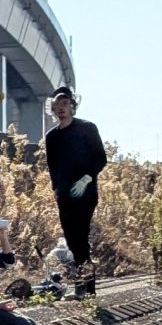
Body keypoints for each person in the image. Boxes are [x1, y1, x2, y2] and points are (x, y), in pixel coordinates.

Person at [41, 86, 107, 293]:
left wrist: (87, 178)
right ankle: (83, 282)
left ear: (72, 106)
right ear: (52, 109)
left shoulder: (87, 128)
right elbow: (52, 166)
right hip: (64, 194)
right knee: (70, 238)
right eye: (57, 105)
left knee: (81, 236)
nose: (61, 108)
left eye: (65, 103)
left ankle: (87, 287)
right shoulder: (52, 137)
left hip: (85, 192)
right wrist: (56, 189)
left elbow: (100, 158)